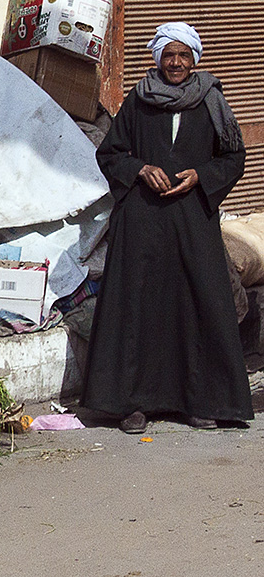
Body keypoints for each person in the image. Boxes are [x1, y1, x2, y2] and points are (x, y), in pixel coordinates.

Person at [82, 22, 252, 435]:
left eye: (183, 55)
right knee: (138, 308)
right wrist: (140, 169)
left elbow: (233, 158)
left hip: (193, 220)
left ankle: (201, 403)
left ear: (195, 58)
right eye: (168, 55)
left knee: (199, 305)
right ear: (157, 58)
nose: (175, 62)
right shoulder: (139, 102)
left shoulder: (212, 100)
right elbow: (109, 154)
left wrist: (202, 176)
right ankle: (134, 405)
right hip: (142, 223)